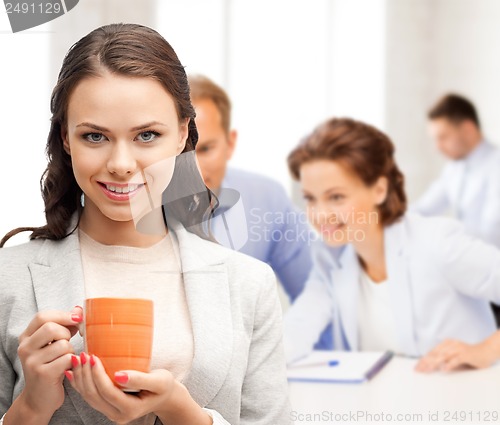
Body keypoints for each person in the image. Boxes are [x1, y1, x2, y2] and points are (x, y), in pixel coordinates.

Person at [0, 23, 291, 425]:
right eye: (95, 137)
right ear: (66, 138)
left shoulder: (249, 286)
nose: (121, 165)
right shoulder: (7, 279)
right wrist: (31, 408)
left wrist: (182, 412)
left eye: (147, 135)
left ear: (181, 135)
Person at [283, 117, 500, 373]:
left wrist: (485, 350)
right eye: (310, 199)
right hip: (389, 406)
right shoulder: (329, 257)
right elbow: (297, 330)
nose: (320, 215)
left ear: (379, 190)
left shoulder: (437, 243)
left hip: (467, 400)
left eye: (336, 197)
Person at [188, 75, 333, 349]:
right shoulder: (131, 205)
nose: (193, 168)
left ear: (230, 144)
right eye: (180, 151)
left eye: (206, 149)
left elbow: (316, 290)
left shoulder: (266, 199)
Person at [414, 93, 500, 325]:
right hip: (472, 276)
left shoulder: (496, 166)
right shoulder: (454, 168)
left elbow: (491, 233)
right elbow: (424, 208)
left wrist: (438, 236)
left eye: (443, 137)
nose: (437, 147)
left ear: (468, 129)